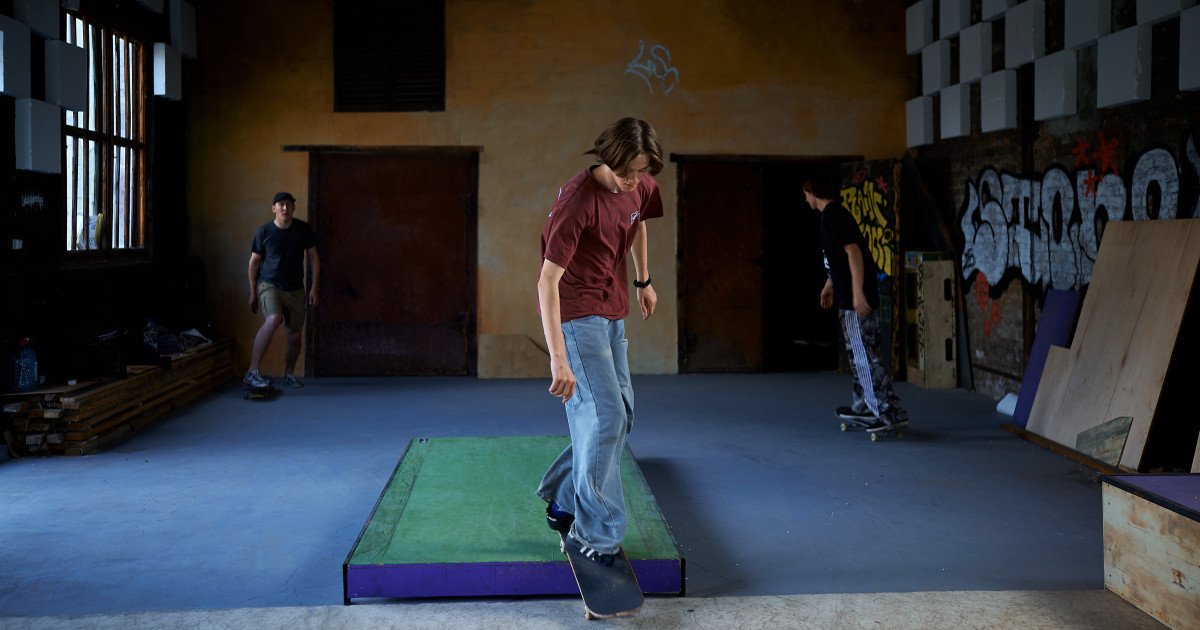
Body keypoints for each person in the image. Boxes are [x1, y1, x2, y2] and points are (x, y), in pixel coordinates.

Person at [536, 117, 664, 567]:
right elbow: (546, 282)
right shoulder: (578, 201)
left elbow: (638, 222)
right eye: (626, 171)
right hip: (576, 315)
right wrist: (559, 359)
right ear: (607, 158)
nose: (633, 180)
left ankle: (563, 499)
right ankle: (595, 532)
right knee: (605, 417)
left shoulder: (640, 184)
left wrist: (643, 279)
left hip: (612, 308)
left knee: (621, 416)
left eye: (641, 172)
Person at [805, 172, 908, 431]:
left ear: (813, 193)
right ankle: (864, 406)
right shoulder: (834, 215)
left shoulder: (832, 216)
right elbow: (839, 260)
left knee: (864, 356)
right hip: (849, 294)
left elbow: (853, 253)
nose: (805, 199)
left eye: (806, 194)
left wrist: (857, 292)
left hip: (853, 300)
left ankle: (887, 412)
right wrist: (829, 285)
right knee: (861, 354)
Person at [243, 192, 319, 389]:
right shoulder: (264, 232)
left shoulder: (303, 229)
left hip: (295, 288)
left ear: (293, 208)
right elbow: (253, 263)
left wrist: (314, 288)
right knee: (274, 318)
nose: (285, 208)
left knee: (294, 336)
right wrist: (253, 292)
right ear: (273, 208)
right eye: (281, 204)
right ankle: (252, 371)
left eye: (288, 204)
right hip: (269, 285)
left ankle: (289, 374)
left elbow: (314, 259)